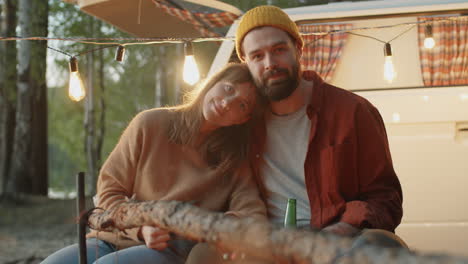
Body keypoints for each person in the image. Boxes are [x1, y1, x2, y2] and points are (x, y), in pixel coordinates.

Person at [187, 5, 405, 264]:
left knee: (382, 244)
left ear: (298, 49)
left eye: (279, 50)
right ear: (246, 63)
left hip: (337, 244)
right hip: (266, 246)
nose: (270, 64)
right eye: (257, 56)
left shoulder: (353, 111)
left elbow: (386, 200)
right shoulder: (242, 122)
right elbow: (226, 192)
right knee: (204, 255)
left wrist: (341, 229)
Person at [41, 63, 267, 264]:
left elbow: (251, 213)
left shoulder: (233, 159)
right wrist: (141, 229)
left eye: (242, 105)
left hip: (170, 249)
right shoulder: (150, 124)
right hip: (114, 237)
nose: (227, 102)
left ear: (243, 119)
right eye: (228, 88)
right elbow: (110, 190)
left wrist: (214, 228)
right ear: (213, 82)